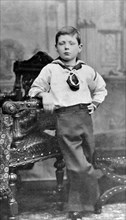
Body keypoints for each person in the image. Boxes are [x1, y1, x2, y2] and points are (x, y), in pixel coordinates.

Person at [29, 26, 107, 220]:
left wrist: (95, 103)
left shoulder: (87, 71)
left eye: (71, 43)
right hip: (65, 118)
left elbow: (101, 88)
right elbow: (34, 89)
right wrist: (45, 94)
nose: (66, 48)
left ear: (79, 47)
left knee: (88, 159)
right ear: (56, 47)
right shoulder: (51, 70)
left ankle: (88, 202)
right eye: (62, 44)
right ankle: (83, 202)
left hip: (85, 119)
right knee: (77, 165)